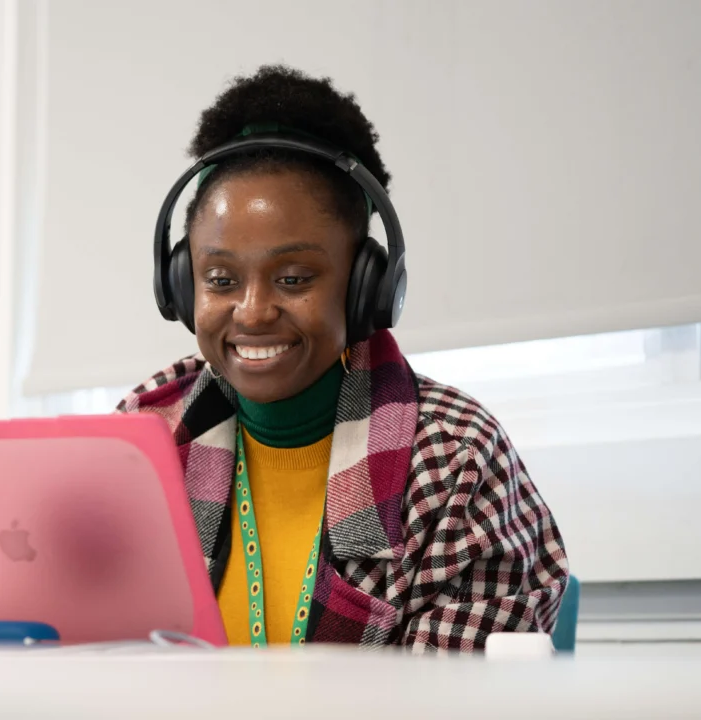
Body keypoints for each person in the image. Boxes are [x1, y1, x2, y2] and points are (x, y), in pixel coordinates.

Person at [118, 65, 568, 652]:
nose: (252, 312)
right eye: (221, 278)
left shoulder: (454, 462)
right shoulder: (146, 438)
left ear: (365, 288)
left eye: (294, 277)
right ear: (181, 286)